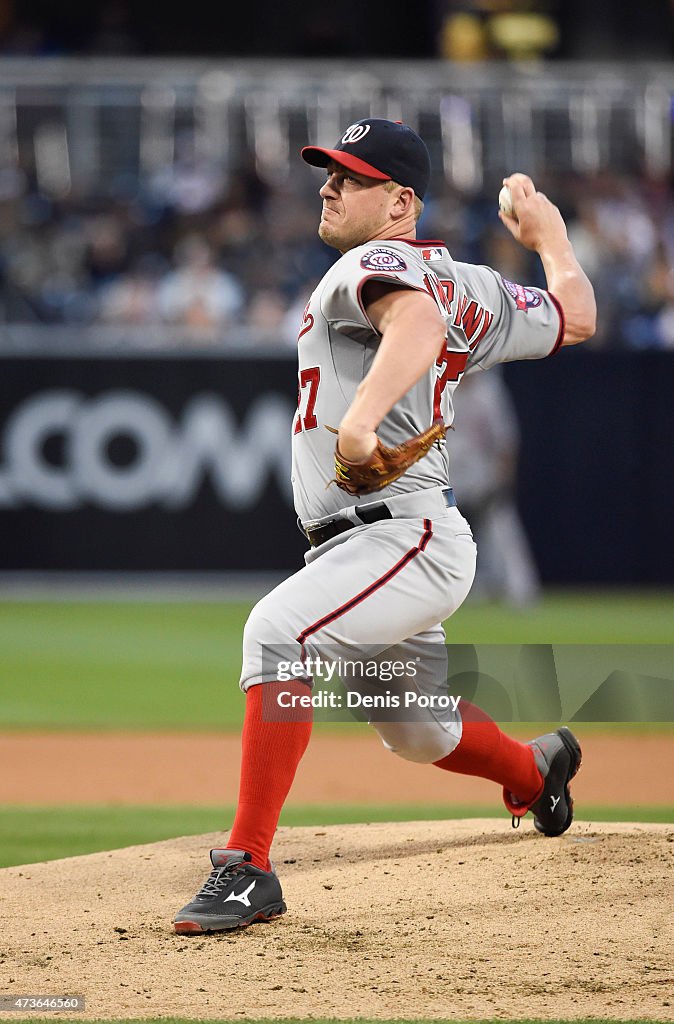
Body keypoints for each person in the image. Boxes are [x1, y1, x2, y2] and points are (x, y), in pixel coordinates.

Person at [173, 118, 596, 934]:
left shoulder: (375, 262)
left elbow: (417, 326)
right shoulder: (473, 285)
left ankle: (247, 867)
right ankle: (535, 767)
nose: (328, 186)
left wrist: (362, 425)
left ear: (401, 201)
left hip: (398, 534)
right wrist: (554, 240)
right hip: (402, 540)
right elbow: (575, 318)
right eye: (328, 172)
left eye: (351, 177)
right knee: (417, 730)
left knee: (277, 630)